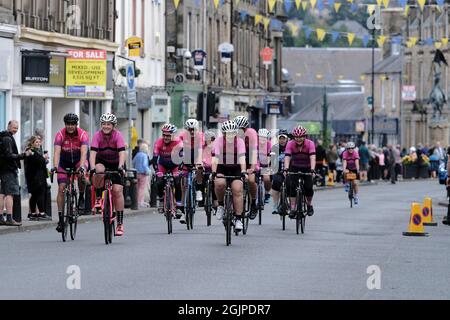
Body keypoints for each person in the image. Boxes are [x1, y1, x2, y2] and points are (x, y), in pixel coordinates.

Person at [90, 113, 127, 236]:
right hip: (102, 162)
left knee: (117, 191)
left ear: (113, 125)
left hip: (117, 163)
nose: (106, 126)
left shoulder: (118, 135)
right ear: (101, 125)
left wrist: (121, 166)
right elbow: (93, 153)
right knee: (98, 169)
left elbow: (122, 152)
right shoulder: (97, 136)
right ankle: (99, 196)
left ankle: (120, 223)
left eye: (109, 124)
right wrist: (91, 167)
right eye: (104, 124)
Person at [53, 113, 89, 232]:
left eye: (72, 124)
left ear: (76, 124)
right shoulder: (60, 135)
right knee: (61, 188)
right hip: (64, 163)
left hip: (79, 161)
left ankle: (82, 196)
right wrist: (54, 166)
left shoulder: (83, 134)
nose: (70, 126)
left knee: (81, 174)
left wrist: (82, 166)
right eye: (68, 124)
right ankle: (60, 219)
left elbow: (84, 152)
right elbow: (57, 152)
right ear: (65, 124)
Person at [212, 120, 247, 232]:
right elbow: (215, 159)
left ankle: (238, 219)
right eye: (227, 133)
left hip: (236, 167)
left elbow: (242, 158)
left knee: (237, 189)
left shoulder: (240, 142)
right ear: (224, 133)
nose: (230, 136)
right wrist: (213, 172)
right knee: (219, 183)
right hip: (222, 166)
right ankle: (221, 205)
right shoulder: (219, 141)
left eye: (232, 133)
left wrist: (243, 171)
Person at [0, 120, 33, 226]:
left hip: (3, 169)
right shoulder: (7, 139)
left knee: (2, 194)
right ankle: (9, 218)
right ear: (8, 126)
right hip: (8, 170)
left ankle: (1, 218)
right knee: (10, 194)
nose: (16, 130)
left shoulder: (3, 137)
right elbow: (9, 156)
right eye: (14, 127)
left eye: (17, 128)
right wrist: (24, 155)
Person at [152, 123, 184, 221]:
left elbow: (182, 158)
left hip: (175, 165)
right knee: (159, 180)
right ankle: (161, 200)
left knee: (177, 181)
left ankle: (178, 206)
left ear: (173, 135)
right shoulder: (158, 142)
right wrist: (157, 170)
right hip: (163, 165)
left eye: (168, 135)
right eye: (164, 135)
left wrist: (180, 169)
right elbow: (155, 158)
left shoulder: (178, 142)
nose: (165, 137)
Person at [284, 126, 316, 217]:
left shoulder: (310, 144)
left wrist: (313, 170)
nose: (298, 139)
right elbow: (287, 157)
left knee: (308, 187)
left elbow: (312, 157)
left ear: (305, 136)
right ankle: (293, 208)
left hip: (307, 168)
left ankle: (309, 205)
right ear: (294, 137)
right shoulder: (290, 144)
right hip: (295, 167)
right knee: (292, 186)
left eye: (301, 137)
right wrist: (286, 169)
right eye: (296, 137)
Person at [234, 116, 259, 219]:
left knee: (251, 180)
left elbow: (253, 151)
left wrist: (252, 167)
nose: (240, 131)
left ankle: (253, 203)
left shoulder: (251, 133)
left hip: (249, 160)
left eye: (242, 129)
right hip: (238, 159)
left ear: (246, 128)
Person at [179, 119, 205, 207]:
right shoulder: (182, 136)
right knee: (184, 186)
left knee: (199, 169)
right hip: (186, 155)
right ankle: (182, 208)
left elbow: (201, 149)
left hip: (198, 154)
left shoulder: (200, 136)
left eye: (194, 129)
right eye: (190, 129)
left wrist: (199, 163)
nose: (192, 131)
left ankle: (198, 190)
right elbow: (178, 149)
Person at [24, 136, 51, 221]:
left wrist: (45, 160)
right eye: (36, 142)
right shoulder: (31, 151)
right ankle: (41, 213)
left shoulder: (35, 151)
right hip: (36, 177)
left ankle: (33, 214)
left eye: (39, 142)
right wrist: (44, 158)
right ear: (32, 143)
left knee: (35, 195)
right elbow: (38, 160)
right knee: (40, 194)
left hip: (36, 176)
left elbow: (39, 162)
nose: (38, 143)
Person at [270, 129, 289, 215]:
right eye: (280, 138)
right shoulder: (275, 147)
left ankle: (290, 203)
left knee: (292, 184)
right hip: (277, 170)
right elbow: (272, 160)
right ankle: (275, 205)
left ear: (287, 139)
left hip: (289, 170)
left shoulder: (290, 147)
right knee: (276, 183)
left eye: (284, 138)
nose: (282, 140)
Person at [257, 128, 273, 204]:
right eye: (260, 137)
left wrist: (267, 166)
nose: (262, 139)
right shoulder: (255, 144)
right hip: (257, 163)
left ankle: (267, 193)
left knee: (266, 179)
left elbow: (269, 157)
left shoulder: (269, 144)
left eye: (264, 138)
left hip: (266, 164)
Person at [133, 143, 150, 208]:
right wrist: (148, 171)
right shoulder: (144, 155)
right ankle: (140, 202)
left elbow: (133, 162)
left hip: (137, 173)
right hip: (143, 173)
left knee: (137, 188)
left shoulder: (137, 155)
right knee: (142, 188)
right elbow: (145, 165)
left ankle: (136, 201)